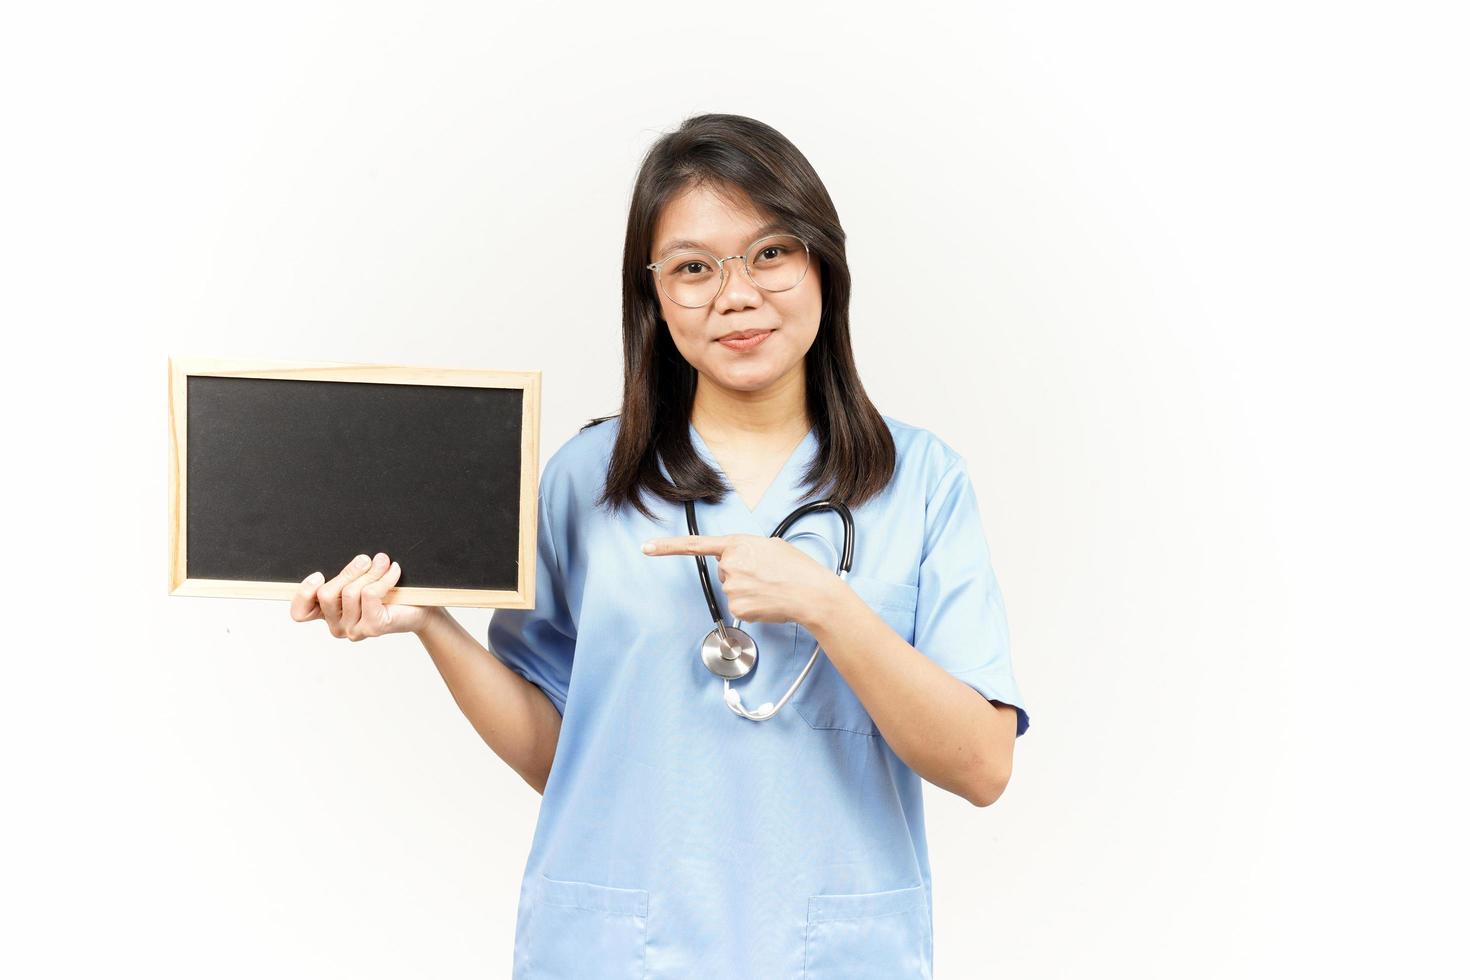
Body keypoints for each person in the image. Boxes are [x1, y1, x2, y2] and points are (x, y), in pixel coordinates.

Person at [289, 113, 1030, 979]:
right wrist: (434, 625)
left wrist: (825, 604)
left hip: (830, 953)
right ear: (653, 297)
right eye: (692, 268)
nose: (737, 294)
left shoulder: (922, 481)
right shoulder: (584, 479)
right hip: (616, 951)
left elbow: (983, 766)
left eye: (771, 252)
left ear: (823, 264)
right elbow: (567, 759)